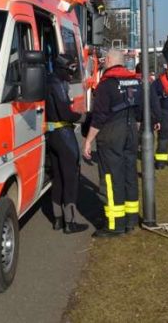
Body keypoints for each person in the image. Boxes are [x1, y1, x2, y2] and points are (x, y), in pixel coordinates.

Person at [82, 49, 150, 237]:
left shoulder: (106, 84)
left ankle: (114, 224)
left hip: (112, 132)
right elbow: (140, 110)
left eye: (105, 60)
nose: (103, 62)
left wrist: (88, 141)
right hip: (130, 131)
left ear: (111, 60)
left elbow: (99, 117)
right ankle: (130, 220)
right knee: (129, 174)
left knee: (111, 178)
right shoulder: (135, 81)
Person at [45, 55, 88, 234]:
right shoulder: (57, 84)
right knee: (70, 178)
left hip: (52, 135)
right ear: (62, 68)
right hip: (64, 134)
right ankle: (70, 222)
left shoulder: (48, 81)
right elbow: (65, 113)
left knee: (58, 179)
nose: (72, 74)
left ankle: (57, 219)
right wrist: (83, 116)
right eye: (70, 70)